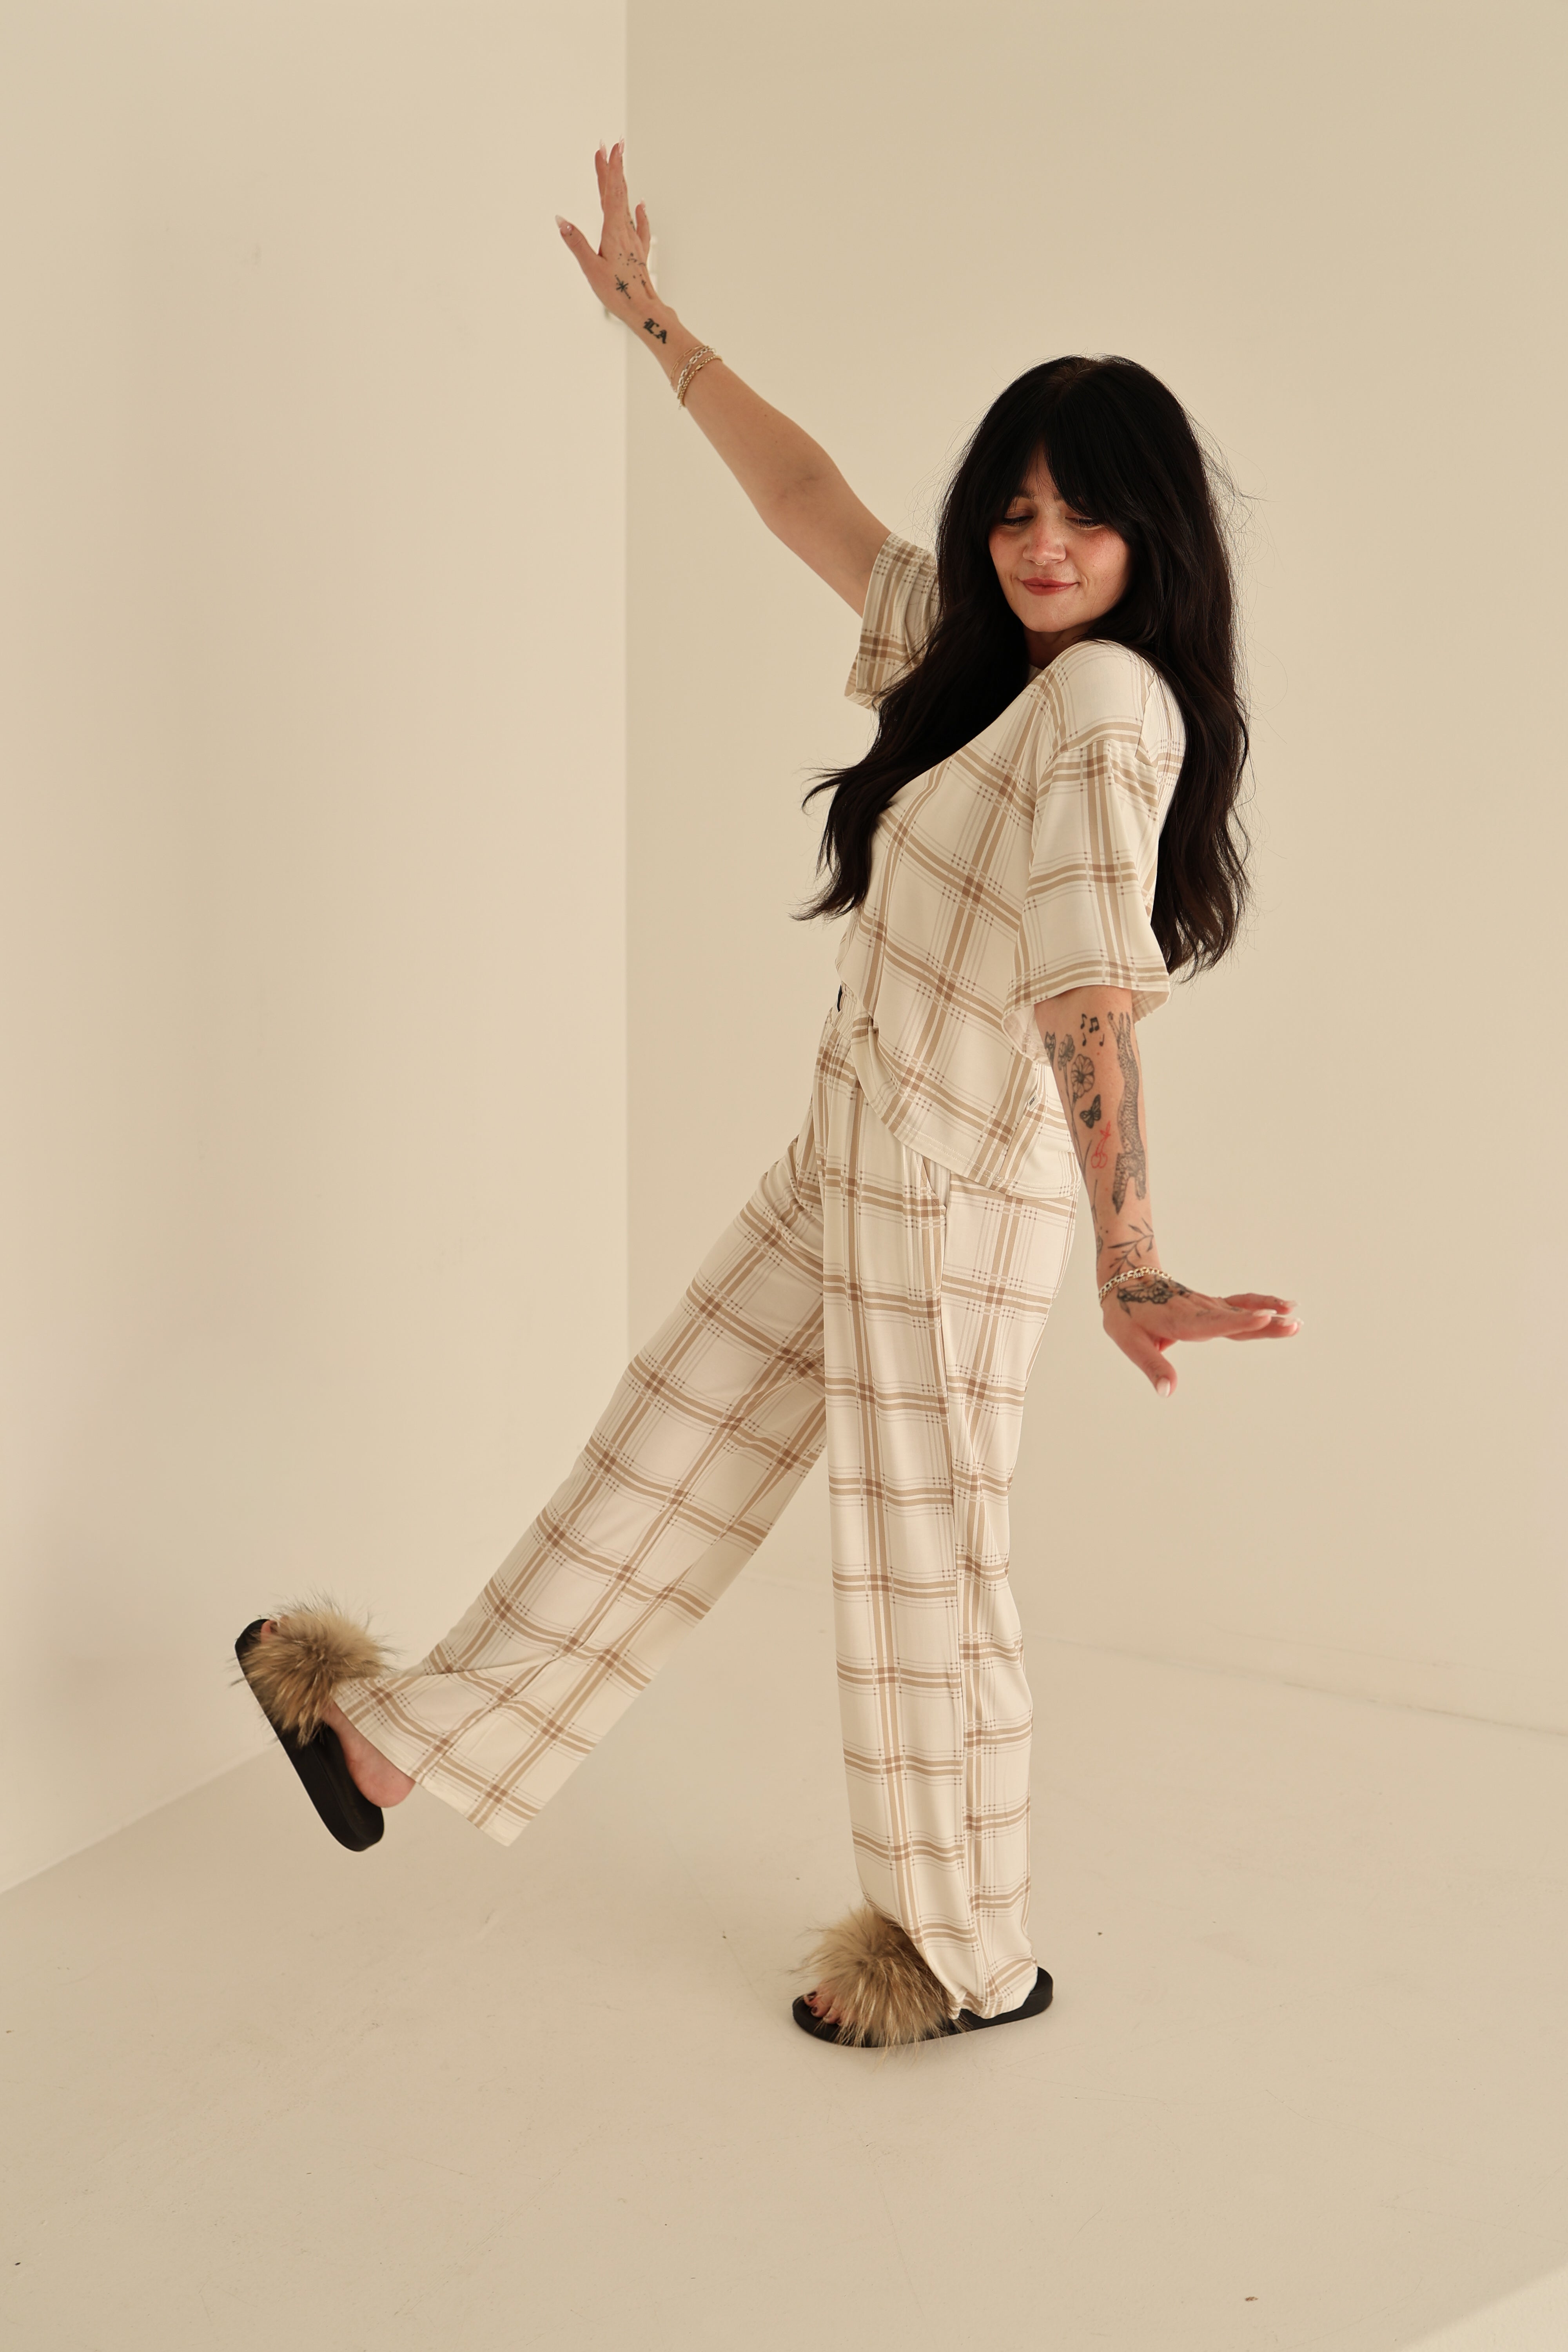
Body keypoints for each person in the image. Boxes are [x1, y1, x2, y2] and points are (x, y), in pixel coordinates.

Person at [236, 141, 1299, 2049]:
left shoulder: (1103, 706)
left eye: (1084, 515)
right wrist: (657, 326)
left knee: (925, 1557)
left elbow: (1086, 978)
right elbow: (809, 501)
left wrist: (1132, 1254)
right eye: (1017, 511)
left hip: (955, 1189)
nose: (1043, 544)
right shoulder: (981, 663)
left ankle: (965, 1956)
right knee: (671, 1441)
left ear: (1154, 539)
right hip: (855, 1151)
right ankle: (396, 1745)